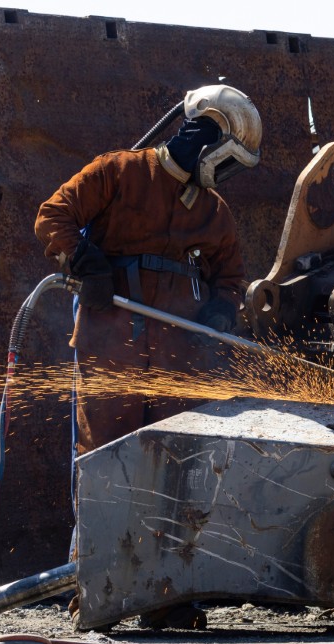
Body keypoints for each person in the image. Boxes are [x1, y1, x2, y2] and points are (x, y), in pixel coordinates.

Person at [35, 84, 262, 455]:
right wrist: (85, 263)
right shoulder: (119, 170)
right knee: (105, 457)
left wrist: (222, 310)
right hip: (111, 349)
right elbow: (52, 216)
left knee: (178, 459)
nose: (225, 173)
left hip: (180, 359)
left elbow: (230, 278)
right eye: (229, 160)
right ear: (209, 140)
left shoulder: (215, 211)